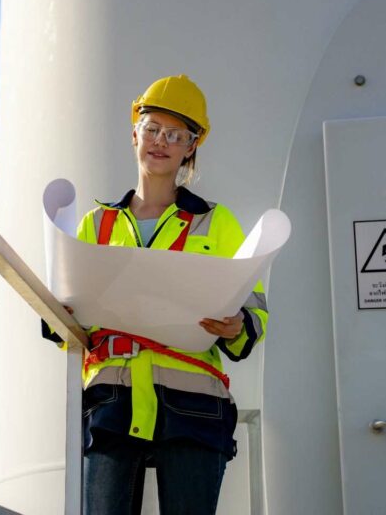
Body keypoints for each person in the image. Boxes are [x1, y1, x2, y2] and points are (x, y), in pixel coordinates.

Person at [42, 74, 268, 515]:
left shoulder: (216, 223)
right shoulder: (95, 226)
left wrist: (238, 324)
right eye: (152, 129)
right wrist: (61, 311)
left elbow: (253, 306)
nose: (161, 142)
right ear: (134, 134)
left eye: (176, 134)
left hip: (195, 403)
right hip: (112, 400)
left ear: (191, 147)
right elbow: (61, 321)